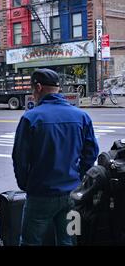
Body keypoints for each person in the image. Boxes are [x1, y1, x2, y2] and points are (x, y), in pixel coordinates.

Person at [12, 68, 99, 246]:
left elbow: (20, 158)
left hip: (40, 195)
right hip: (72, 194)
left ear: (38, 87)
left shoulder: (30, 118)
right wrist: (79, 176)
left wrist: (25, 184)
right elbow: (91, 153)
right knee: (69, 241)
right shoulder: (82, 116)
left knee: (30, 242)